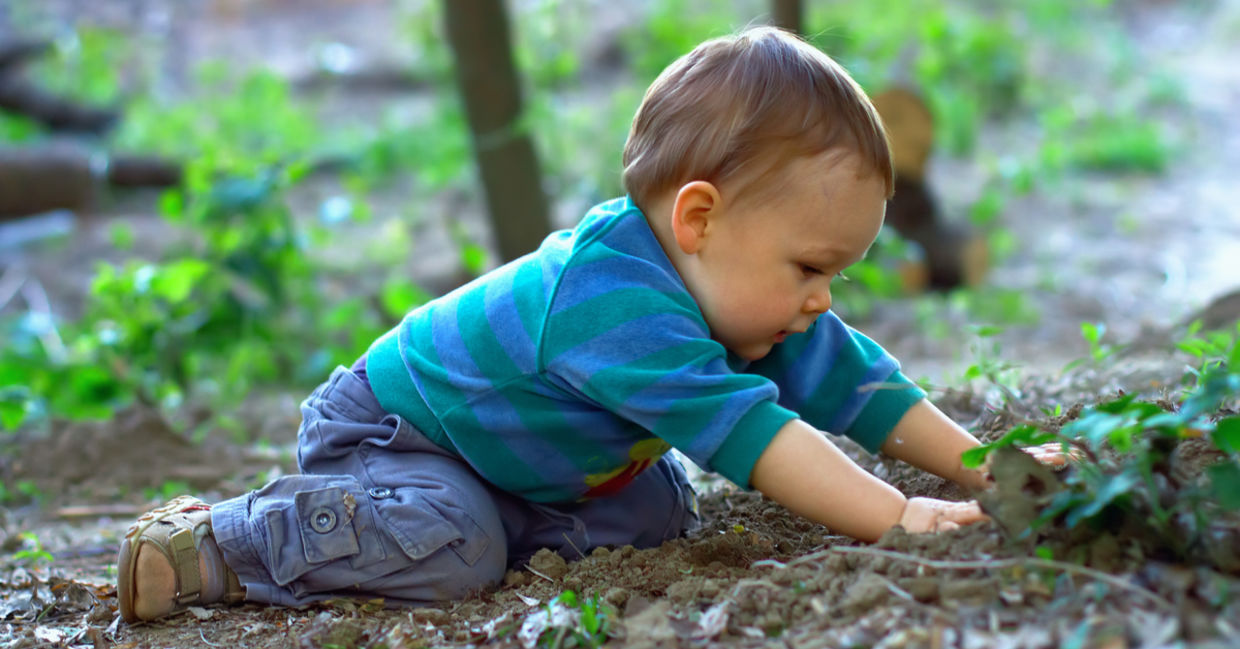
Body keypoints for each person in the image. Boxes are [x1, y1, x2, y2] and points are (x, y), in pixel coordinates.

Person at [115, 25, 1064, 624]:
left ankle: (502, 510)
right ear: (699, 219)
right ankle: (225, 541)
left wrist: (981, 465)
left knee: (658, 510)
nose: (823, 298)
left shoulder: (747, 290)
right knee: (458, 548)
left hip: (522, 452)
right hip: (396, 434)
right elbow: (760, 438)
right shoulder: (615, 301)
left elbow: (856, 380)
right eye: (811, 267)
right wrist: (897, 515)